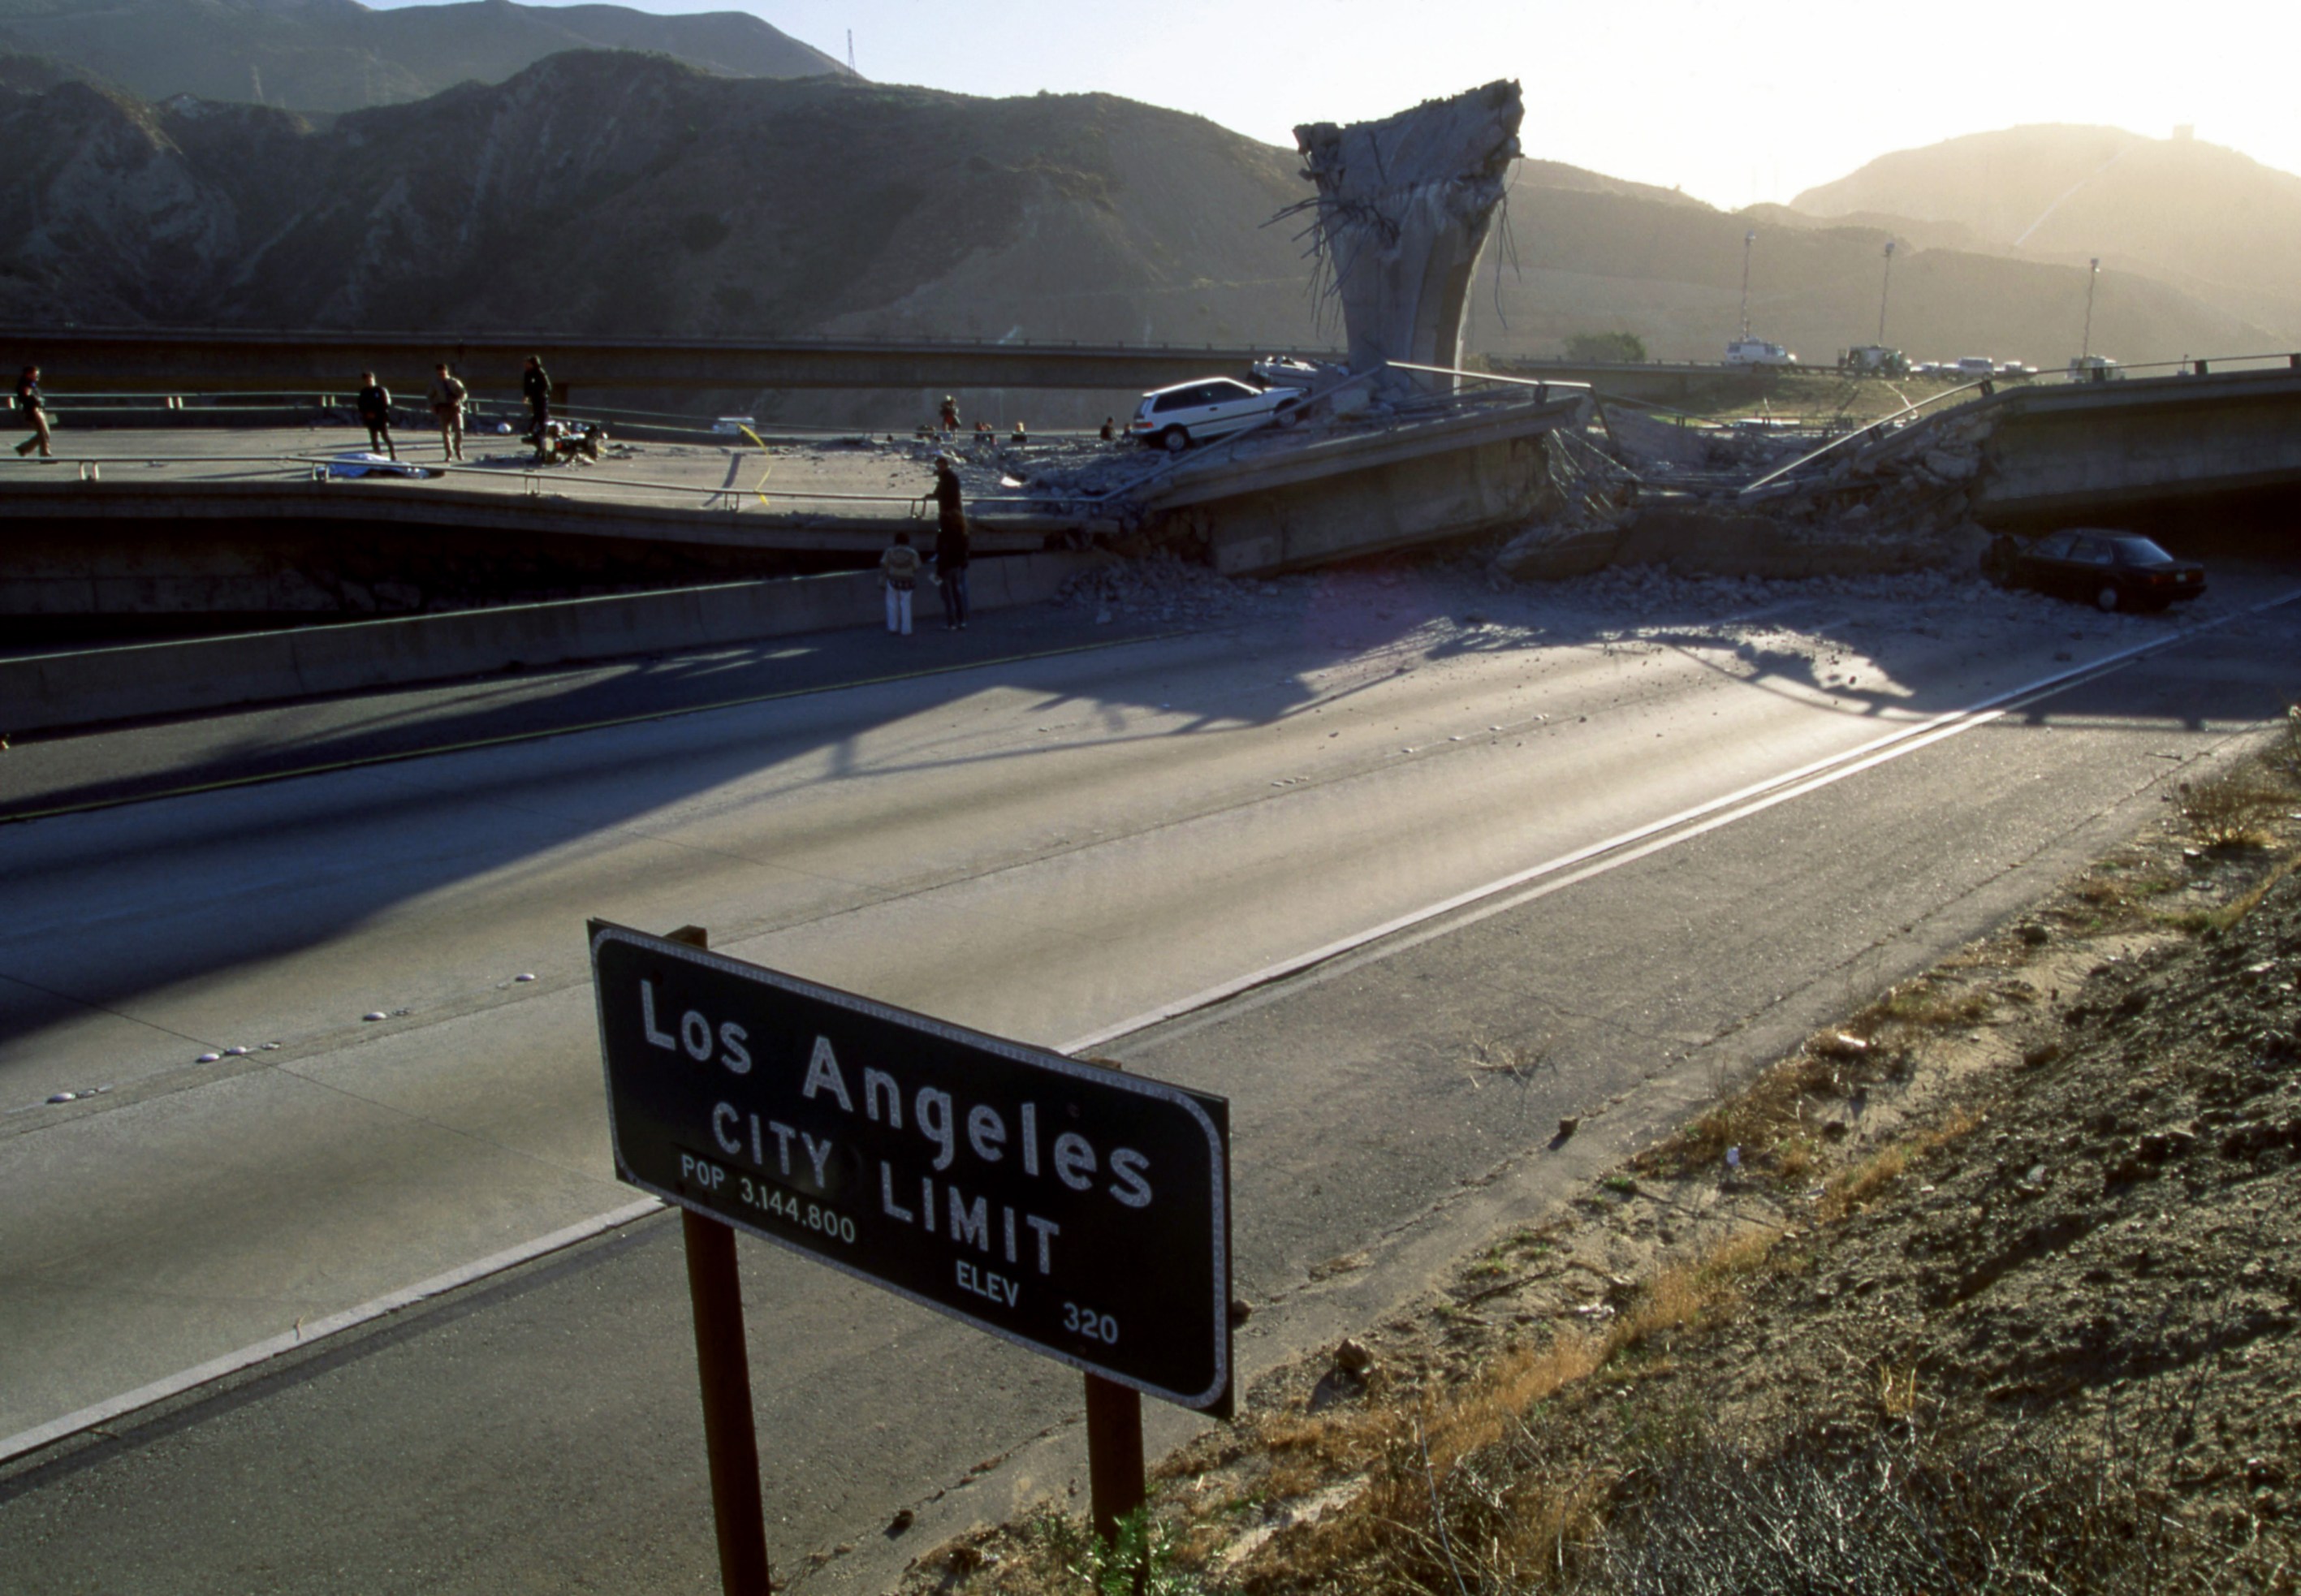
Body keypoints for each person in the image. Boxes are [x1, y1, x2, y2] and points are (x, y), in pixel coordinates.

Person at [929, 455, 970, 630]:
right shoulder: (962, 535)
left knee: (947, 596)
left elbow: (942, 552)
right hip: (958, 566)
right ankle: (962, 620)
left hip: (946, 568)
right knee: (958, 592)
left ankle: (952, 622)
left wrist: (937, 571)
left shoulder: (944, 535)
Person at [880, 530, 921, 636]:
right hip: (907, 581)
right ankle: (906, 629)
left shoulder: (890, 552)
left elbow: (884, 564)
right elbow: (917, 567)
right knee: (906, 605)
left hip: (893, 580)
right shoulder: (913, 553)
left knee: (892, 604)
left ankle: (893, 627)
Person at [427, 362, 467, 461]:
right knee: (445, 433)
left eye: (443, 373)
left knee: (459, 431)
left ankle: (458, 451)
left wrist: (459, 401)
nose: (441, 375)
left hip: (455, 408)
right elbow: (430, 396)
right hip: (443, 409)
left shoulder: (454, 382)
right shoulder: (435, 383)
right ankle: (448, 454)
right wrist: (431, 406)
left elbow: (464, 393)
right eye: (439, 373)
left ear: (446, 371)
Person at [14, 364, 53, 459]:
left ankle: (23, 448)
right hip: (33, 411)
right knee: (43, 433)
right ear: (28, 374)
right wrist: (36, 401)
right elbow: (28, 397)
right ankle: (45, 455)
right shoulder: (25, 385)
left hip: (39, 410)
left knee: (44, 433)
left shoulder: (32, 384)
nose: (37, 376)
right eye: (35, 374)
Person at [355, 370, 395, 459]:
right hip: (370, 419)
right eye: (367, 380)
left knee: (385, 437)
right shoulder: (364, 392)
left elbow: (386, 404)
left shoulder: (380, 390)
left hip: (381, 418)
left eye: (370, 379)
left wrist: (377, 413)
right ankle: (378, 455)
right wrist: (366, 413)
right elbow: (360, 404)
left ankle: (393, 454)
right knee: (374, 439)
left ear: (374, 379)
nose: (369, 382)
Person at [521, 356, 550, 442]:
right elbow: (527, 386)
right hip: (534, 397)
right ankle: (534, 430)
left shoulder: (540, 372)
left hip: (541, 397)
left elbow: (547, 386)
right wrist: (526, 396)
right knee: (537, 414)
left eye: (527, 364)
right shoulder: (528, 373)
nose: (525, 365)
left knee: (541, 414)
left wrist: (543, 394)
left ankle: (542, 430)